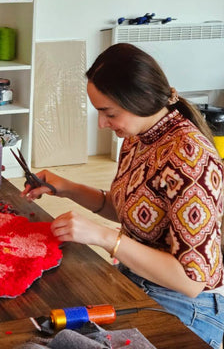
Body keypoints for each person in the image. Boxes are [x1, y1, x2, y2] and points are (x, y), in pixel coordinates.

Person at [22, 43, 224, 348]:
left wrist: (105, 238)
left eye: (108, 113)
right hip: (138, 280)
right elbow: (133, 212)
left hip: (185, 306)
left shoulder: (189, 156)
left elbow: (190, 281)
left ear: (139, 100)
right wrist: (65, 187)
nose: (102, 123)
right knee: (42, 326)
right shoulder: (138, 135)